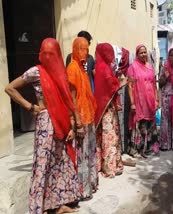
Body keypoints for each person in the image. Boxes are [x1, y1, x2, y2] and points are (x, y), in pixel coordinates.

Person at [5, 38, 81, 213]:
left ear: (58, 54)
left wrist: (71, 125)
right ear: (40, 54)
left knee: (61, 162)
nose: (48, 56)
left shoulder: (62, 73)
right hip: (46, 123)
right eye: (44, 53)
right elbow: (9, 88)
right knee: (42, 164)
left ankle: (59, 204)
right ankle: (39, 207)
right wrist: (29, 106)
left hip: (62, 123)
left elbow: (68, 101)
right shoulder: (36, 72)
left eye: (51, 53)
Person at [66, 37, 98, 199]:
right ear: (75, 49)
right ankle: (82, 190)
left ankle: (91, 184)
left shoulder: (82, 67)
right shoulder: (72, 68)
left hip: (88, 116)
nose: (85, 52)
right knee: (82, 154)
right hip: (81, 119)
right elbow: (72, 98)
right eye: (81, 49)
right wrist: (77, 122)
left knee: (90, 152)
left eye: (86, 49)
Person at [94, 43, 125, 178]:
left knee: (104, 136)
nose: (112, 56)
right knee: (110, 136)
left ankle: (105, 165)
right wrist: (123, 82)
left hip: (105, 107)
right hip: (107, 109)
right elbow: (111, 87)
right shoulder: (105, 68)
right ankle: (110, 167)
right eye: (109, 53)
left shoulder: (101, 67)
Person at [127, 44, 159, 158]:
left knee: (151, 124)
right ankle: (139, 149)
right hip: (139, 101)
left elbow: (154, 84)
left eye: (145, 52)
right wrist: (132, 103)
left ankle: (150, 148)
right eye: (141, 52)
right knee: (141, 124)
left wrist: (156, 99)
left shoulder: (150, 67)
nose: (143, 54)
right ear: (137, 54)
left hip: (150, 100)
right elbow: (130, 86)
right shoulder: (133, 67)